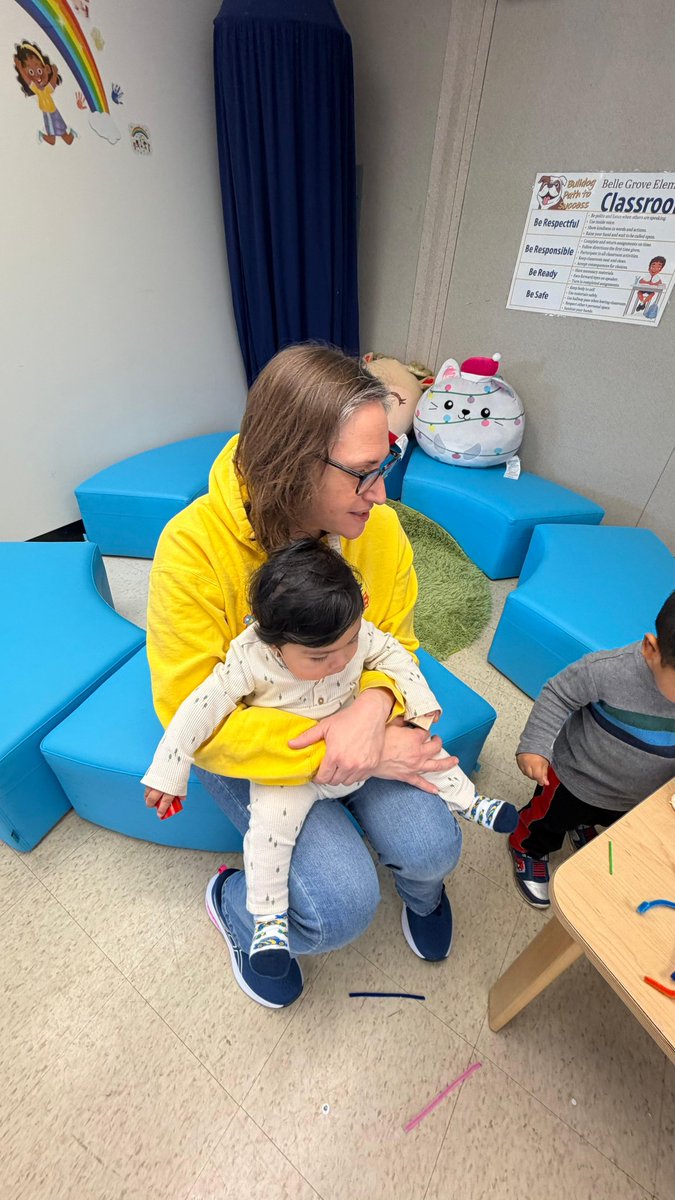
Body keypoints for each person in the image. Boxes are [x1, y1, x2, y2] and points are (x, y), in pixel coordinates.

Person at [146, 344, 466, 1009]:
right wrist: (361, 751)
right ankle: (235, 905)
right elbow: (193, 718)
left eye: (387, 463)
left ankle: (420, 889)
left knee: (435, 848)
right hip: (254, 746)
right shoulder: (191, 552)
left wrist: (374, 708)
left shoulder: (374, 529)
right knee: (339, 910)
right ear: (292, 467)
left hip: (356, 714)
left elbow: (396, 642)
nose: (380, 494)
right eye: (361, 474)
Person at [143, 539, 517, 978]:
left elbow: (393, 651)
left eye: (350, 644)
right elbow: (197, 710)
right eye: (319, 657)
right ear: (274, 644)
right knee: (270, 833)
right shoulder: (249, 660)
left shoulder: (351, 627)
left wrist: (417, 704)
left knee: (426, 753)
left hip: (361, 736)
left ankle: (473, 802)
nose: (340, 662)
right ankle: (265, 921)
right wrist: (169, 770)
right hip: (291, 771)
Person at [509, 590, 675, 907]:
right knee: (548, 822)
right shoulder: (608, 671)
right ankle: (526, 847)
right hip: (574, 780)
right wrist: (535, 746)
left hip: (634, 798)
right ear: (651, 649)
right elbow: (558, 694)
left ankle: (582, 825)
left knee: (605, 822)